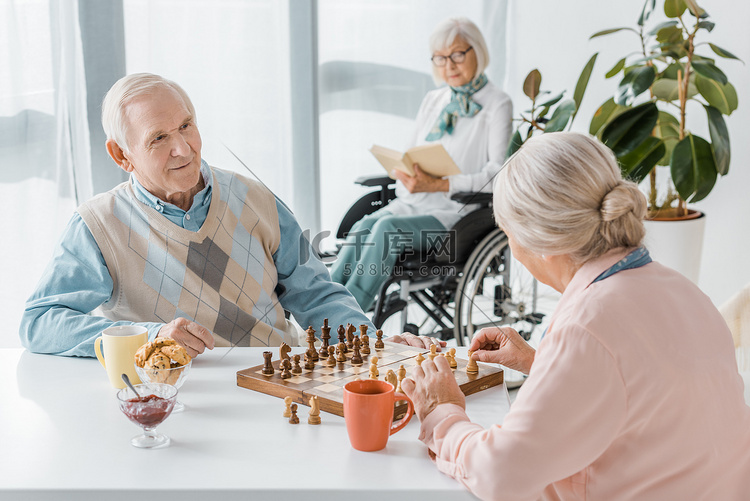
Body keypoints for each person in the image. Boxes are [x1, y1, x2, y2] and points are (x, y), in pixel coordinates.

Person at [401, 132, 750, 500]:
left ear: (540, 242)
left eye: (507, 235)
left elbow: (501, 475)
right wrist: (541, 363)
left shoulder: (588, 326)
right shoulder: (683, 291)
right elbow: (644, 395)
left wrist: (441, 412)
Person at [19, 73, 434, 358]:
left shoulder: (253, 196)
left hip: (275, 383)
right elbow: (39, 323)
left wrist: (378, 345)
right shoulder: (98, 225)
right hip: (180, 401)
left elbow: (318, 295)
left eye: (186, 125)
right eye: (159, 137)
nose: (183, 148)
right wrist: (149, 339)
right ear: (121, 155)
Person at [330, 17, 512, 312]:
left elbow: (496, 176)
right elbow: (411, 152)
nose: (448, 66)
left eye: (457, 55)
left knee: (387, 229)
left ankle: (346, 316)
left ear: (477, 51)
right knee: (364, 226)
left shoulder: (497, 103)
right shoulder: (433, 99)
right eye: (440, 58)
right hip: (413, 202)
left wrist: (440, 184)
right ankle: (322, 304)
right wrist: (404, 170)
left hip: (455, 214)